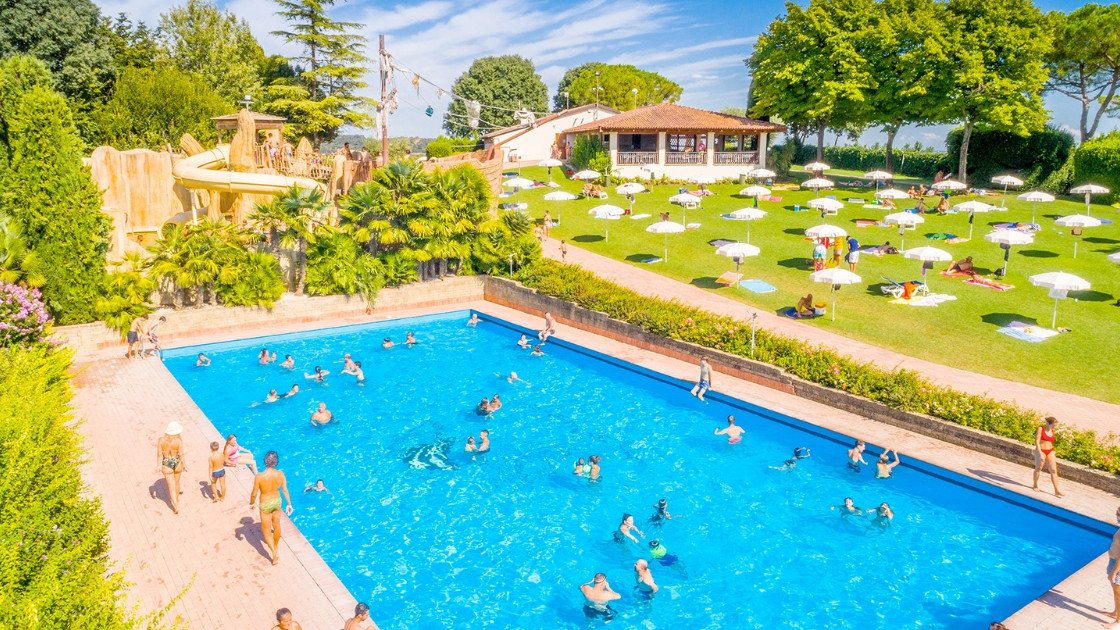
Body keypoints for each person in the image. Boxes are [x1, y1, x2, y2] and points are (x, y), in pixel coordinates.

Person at [251, 451, 293, 566]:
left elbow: (254, 493)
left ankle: (274, 553)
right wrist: (289, 504)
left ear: (265, 461)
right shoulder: (280, 474)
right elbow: (284, 490)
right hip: (277, 502)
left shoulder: (259, 477)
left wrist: (251, 503)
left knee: (266, 530)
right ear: (276, 462)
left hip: (265, 504)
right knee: (277, 525)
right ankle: (276, 545)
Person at [156, 421, 186, 514]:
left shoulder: (161, 440)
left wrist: (158, 465)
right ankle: (176, 499)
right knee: (177, 483)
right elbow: (181, 454)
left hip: (166, 463)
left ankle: (175, 506)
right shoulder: (178, 441)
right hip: (177, 462)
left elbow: (159, 454)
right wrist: (185, 465)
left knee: (171, 487)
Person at [1033, 416, 1064, 497]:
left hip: (1050, 450)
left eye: (1055, 426)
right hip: (1041, 450)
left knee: (1054, 470)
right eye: (1053, 425)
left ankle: (1056, 490)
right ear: (1047, 423)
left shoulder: (1052, 430)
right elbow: (1037, 442)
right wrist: (1040, 453)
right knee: (1038, 468)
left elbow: (1050, 440)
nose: (1054, 427)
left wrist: (1053, 451)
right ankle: (1035, 485)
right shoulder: (1040, 429)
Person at [1104, 506, 1120, 627]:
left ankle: (1118, 622)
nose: (1117, 516)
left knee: (1118, 592)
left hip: (1118, 566)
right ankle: (1116, 612)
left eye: (1119, 514)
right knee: (1115, 591)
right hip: (1113, 560)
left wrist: (1114, 572)